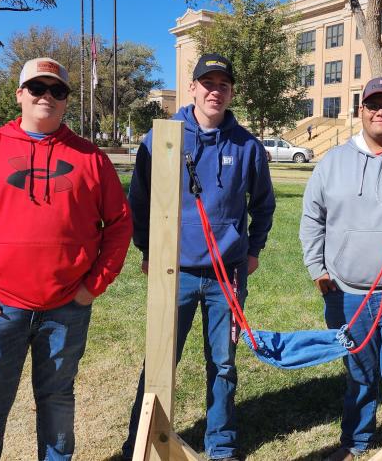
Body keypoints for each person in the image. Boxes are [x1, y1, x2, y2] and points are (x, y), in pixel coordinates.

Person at [0, 57, 132, 460]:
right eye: (38, 88)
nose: (47, 97)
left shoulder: (90, 158)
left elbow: (120, 225)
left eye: (57, 91)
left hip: (65, 310)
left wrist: (95, 284)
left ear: (67, 100)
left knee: (58, 403)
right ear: (20, 95)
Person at [123, 53, 275, 461]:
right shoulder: (163, 137)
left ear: (230, 93)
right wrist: (148, 250)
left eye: (223, 85)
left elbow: (263, 204)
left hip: (227, 276)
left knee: (223, 362)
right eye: (207, 83)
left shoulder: (247, 145)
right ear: (192, 88)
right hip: (176, 271)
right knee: (161, 358)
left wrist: (253, 250)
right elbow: (139, 200)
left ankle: (221, 444)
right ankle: (139, 439)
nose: (215, 91)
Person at [300, 77, 382, 461]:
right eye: (373, 104)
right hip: (347, 291)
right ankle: (355, 442)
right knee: (359, 371)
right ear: (361, 111)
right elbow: (312, 218)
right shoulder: (333, 161)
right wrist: (318, 269)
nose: (380, 111)